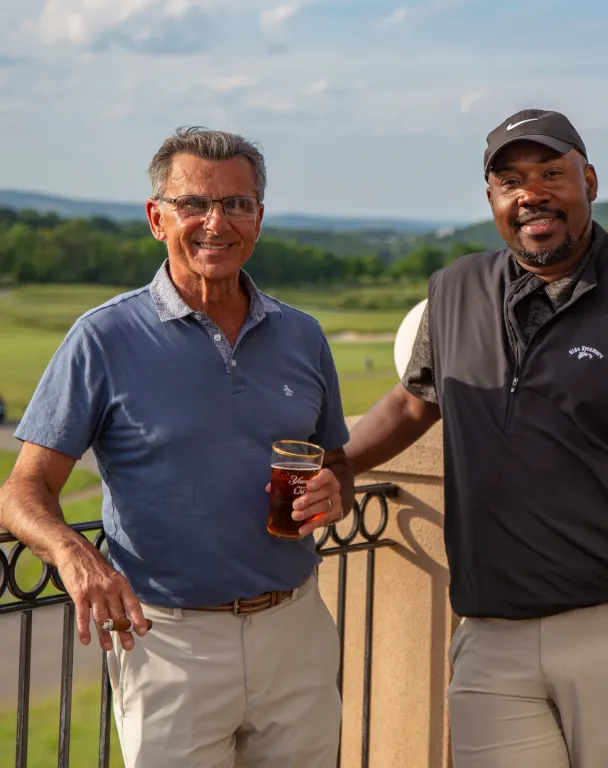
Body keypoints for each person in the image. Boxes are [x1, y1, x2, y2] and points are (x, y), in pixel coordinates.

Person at [345, 109, 608, 767]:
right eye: (510, 180)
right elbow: (415, 401)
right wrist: (339, 462)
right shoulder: (453, 291)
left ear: (588, 179)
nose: (531, 193)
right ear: (493, 200)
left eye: (550, 173)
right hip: (491, 639)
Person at [0, 127, 353, 768]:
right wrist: (74, 553)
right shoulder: (102, 338)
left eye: (237, 204)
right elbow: (22, 490)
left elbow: (337, 462)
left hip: (297, 629)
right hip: (168, 642)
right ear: (157, 218)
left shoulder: (303, 336)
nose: (216, 222)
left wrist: (336, 488)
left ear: (259, 219)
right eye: (194, 204)